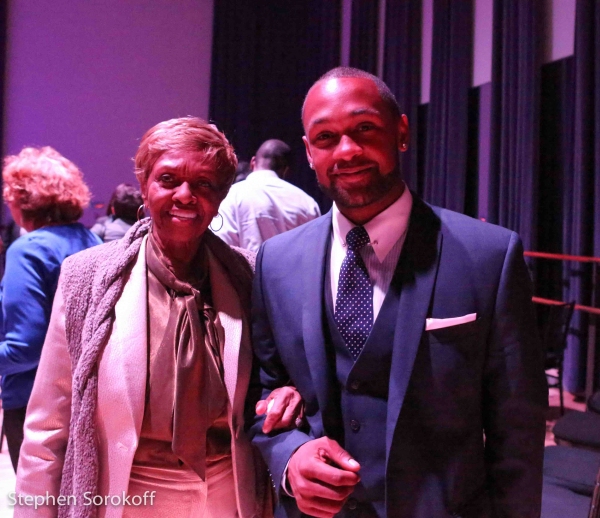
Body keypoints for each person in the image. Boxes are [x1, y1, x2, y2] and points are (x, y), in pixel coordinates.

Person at [247, 67, 547, 517]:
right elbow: (266, 392)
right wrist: (289, 457)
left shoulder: (490, 256)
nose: (347, 150)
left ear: (401, 132)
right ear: (309, 152)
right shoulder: (276, 261)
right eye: (326, 138)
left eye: (364, 128)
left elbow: (517, 429)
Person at [15, 118, 300, 518]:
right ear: (145, 186)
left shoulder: (249, 277)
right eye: (168, 179)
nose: (185, 195)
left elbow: (278, 381)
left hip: (229, 498)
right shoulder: (86, 278)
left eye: (204, 184)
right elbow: (47, 429)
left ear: (221, 196)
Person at [0, 147, 101, 472]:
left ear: (22, 199)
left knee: (38, 505)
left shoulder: (28, 250)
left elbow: (24, 348)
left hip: (36, 403)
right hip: (89, 399)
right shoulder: (93, 241)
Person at [216, 139, 321, 252]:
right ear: (286, 171)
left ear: (252, 162)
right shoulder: (307, 203)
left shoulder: (230, 195)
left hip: (241, 269)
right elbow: (315, 252)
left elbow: (221, 245)